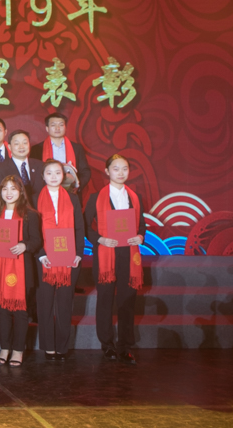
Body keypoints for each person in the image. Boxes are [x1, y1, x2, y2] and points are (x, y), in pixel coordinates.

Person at [84, 154, 146, 365]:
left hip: (128, 254)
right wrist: (99, 239)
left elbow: (142, 225)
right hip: (105, 254)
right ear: (107, 171)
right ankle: (107, 345)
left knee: (127, 301)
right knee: (105, 300)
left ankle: (125, 346)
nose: (121, 173)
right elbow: (85, 226)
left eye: (125, 168)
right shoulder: (96, 197)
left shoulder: (135, 198)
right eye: (116, 168)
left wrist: (140, 236)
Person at [0, 175, 41, 367]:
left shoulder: (30, 214)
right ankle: (4, 348)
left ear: (21, 192)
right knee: (2, 310)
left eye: (13, 189)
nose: (9, 192)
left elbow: (36, 240)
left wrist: (25, 245)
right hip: (0, 268)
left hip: (22, 268)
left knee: (20, 311)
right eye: (5, 188)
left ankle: (18, 350)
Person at [34, 159, 85, 361]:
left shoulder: (72, 198)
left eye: (58, 172)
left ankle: (62, 346)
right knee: (45, 303)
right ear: (43, 176)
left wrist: (78, 254)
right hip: (44, 258)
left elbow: (79, 228)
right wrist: (41, 254)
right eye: (49, 173)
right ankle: (48, 347)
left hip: (69, 257)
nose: (54, 176)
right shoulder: (34, 198)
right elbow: (32, 230)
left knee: (65, 303)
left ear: (63, 175)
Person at [30, 113, 92, 194]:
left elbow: (85, 171)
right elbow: (34, 174)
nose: (57, 128)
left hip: (71, 192)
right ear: (47, 128)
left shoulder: (77, 148)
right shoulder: (37, 149)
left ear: (65, 127)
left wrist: (77, 186)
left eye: (61, 125)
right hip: (46, 193)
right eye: (53, 125)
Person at [0, 130, 45, 205]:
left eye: (25, 143)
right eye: (16, 143)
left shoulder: (40, 165)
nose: (21, 146)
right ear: (9, 147)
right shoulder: (0, 169)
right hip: (15, 211)